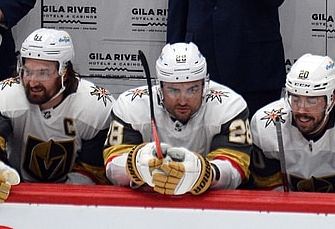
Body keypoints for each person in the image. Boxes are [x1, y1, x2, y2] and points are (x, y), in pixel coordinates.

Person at [0, 28, 113, 206]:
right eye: (27, 71)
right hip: (14, 195)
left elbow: (94, 171)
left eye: (43, 73)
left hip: (70, 204)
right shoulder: (6, 96)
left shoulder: (94, 106)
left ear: (64, 72)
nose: (33, 82)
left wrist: (56, 201)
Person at [104, 42, 251, 196]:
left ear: (204, 85)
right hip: (149, 201)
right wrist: (136, 165)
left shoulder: (229, 106)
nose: (182, 101)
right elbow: (112, 167)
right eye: (173, 90)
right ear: (160, 87)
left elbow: (236, 168)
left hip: (205, 204)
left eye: (192, 89)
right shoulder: (132, 105)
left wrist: (207, 173)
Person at [249, 53, 335, 193]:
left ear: (332, 100)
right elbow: (265, 190)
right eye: (295, 99)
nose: (301, 109)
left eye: (311, 101)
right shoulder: (265, 126)